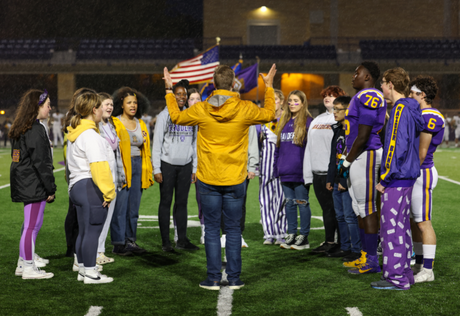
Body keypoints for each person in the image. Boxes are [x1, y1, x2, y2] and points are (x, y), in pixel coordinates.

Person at [163, 64, 277, 290]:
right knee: (233, 230)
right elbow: (270, 114)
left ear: (213, 85)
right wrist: (269, 86)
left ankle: (213, 278)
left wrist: (169, 89)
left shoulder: (203, 108)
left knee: (213, 229)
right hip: (235, 179)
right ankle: (234, 278)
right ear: (234, 84)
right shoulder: (244, 107)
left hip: (209, 178)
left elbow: (175, 117)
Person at [371, 67, 424, 290]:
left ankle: (396, 278)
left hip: (397, 178)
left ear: (391, 84)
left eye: (383, 83)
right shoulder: (410, 107)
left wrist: (385, 177)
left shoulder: (400, 109)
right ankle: (404, 273)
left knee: (391, 230)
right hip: (406, 177)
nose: (381, 87)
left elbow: (395, 147)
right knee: (401, 228)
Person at [337, 61, 387, 274]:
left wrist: (347, 160)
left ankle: (372, 260)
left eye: (357, 73)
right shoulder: (362, 96)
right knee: (359, 207)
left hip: (365, 154)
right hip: (359, 154)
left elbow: (364, 135)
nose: (353, 76)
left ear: (368, 77)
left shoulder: (370, 95)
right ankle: (365, 255)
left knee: (367, 208)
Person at [67, 92, 116, 284]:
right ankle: (90, 272)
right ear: (94, 110)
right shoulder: (90, 135)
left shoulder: (77, 131)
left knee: (84, 231)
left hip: (76, 186)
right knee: (93, 231)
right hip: (88, 185)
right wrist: (109, 191)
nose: (103, 110)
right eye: (100, 107)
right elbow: (98, 166)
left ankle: (83, 269)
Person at [10, 89, 56, 280]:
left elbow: (16, 158)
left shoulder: (23, 127)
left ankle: (23, 262)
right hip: (33, 183)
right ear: (37, 107)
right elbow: (42, 163)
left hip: (26, 181)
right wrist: (50, 188)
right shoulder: (36, 129)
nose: (50, 108)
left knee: (30, 224)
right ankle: (28, 266)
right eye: (47, 105)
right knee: (32, 226)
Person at [152, 79, 198, 252]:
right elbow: (157, 143)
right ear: (172, 96)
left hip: (186, 165)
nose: (182, 97)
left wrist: (194, 167)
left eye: (184, 94)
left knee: (182, 203)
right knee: (165, 202)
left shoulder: (191, 115)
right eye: (178, 94)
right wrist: (156, 168)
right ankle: (166, 242)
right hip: (168, 164)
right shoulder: (165, 115)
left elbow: (194, 143)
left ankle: (182, 240)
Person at [408, 76, 444, 283]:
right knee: (415, 221)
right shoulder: (420, 113)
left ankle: (428, 270)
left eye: (413, 93)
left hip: (421, 171)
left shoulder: (430, 115)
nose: (410, 96)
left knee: (423, 222)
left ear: (422, 95)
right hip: (416, 170)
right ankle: (420, 263)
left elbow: (422, 152)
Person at [111, 87, 153, 255]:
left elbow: (146, 148)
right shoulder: (114, 122)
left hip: (138, 165)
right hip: (123, 166)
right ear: (122, 104)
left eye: (135, 103)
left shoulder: (141, 123)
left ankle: (130, 240)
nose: (133, 105)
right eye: (129, 102)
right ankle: (118, 243)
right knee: (120, 207)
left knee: (133, 208)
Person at [304, 85, 346, 255]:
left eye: (332, 95)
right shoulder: (317, 119)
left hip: (333, 173)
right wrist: (307, 173)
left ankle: (342, 243)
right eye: (326, 95)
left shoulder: (340, 120)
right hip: (317, 173)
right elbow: (310, 147)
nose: (327, 98)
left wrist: (337, 173)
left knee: (339, 211)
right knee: (327, 209)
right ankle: (330, 241)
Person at [274, 90, 313, 251]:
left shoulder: (309, 122)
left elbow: (311, 149)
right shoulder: (283, 121)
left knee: (302, 203)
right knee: (289, 204)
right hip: (285, 170)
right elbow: (278, 148)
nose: (292, 103)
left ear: (303, 103)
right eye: (290, 100)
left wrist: (308, 171)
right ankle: (291, 234)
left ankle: (303, 237)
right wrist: (277, 168)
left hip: (300, 171)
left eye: (296, 101)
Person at [326, 96, 363, 262]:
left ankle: (356, 249)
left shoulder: (352, 130)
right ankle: (345, 247)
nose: (334, 112)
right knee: (340, 216)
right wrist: (330, 177)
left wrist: (343, 180)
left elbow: (351, 157)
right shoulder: (337, 129)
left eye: (337, 109)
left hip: (347, 180)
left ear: (347, 110)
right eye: (334, 109)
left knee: (350, 216)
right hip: (336, 179)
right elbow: (333, 156)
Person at [96, 93, 126, 264]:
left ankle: (100, 251)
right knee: (99, 217)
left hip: (113, 177)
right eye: (106, 104)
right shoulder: (95, 126)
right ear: (97, 106)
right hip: (102, 178)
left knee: (107, 217)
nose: (109, 107)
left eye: (111, 104)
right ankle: (93, 252)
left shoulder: (111, 124)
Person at [258, 89, 287, 245]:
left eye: (275, 99)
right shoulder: (264, 118)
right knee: (266, 198)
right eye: (269, 99)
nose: (272, 102)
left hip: (282, 163)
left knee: (281, 198)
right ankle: (269, 233)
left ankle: (281, 231)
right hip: (266, 165)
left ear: (281, 101)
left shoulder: (287, 118)